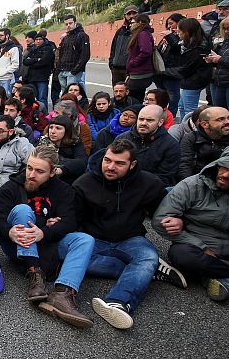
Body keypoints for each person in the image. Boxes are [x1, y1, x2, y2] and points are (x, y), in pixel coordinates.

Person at [73, 140, 183, 329]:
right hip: (94, 238)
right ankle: (149, 272)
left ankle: (118, 302)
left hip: (130, 238)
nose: (110, 166)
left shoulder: (149, 183)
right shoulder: (84, 183)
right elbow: (74, 219)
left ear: (132, 164)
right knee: (77, 261)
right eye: (107, 160)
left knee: (147, 258)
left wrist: (178, 219)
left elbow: (163, 211)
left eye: (119, 163)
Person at [153, 143, 229, 301]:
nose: (225, 174)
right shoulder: (193, 184)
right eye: (223, 167)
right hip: (199, 247)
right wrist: (201, 247)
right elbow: (159, 220)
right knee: (181, 256)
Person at [0, 146, 95, 327]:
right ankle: (34, 273)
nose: (31, 174)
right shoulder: (11, 187)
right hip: (17, 244)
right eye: (30, 168)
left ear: (53, 172)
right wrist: (9, 231)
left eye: (39, 171)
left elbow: (69, 222)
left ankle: (63, 294)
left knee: (85, 240)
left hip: (47, 242)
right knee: (22, 210)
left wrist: (43, 232)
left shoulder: (63, 190)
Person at [116, 105, 180, 186]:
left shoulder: (171, 145)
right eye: (141, 119)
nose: (143, 123)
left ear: (160, 122)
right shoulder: (123, 138)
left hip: (149, 189)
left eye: (149, 120)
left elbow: (165, 177)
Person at [166, 17, 212, 120]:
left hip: (194, 81)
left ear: (187, 32)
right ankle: (184, 128)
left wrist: (165, 71)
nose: (178, 33)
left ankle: (189, 131)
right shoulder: (187, 44)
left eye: (180, 31)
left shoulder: (198, 47)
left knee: (190, 110)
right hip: (189, 80)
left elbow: (187, 68)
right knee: (182, 107)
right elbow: (175, 49)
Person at [178, 107, 229, 180]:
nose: (228, 122)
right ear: (205, 124)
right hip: (194, 182)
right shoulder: (192, 138)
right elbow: (184, 165)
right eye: (220, 119)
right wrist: (190, 186)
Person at [0, 115, 32, 190]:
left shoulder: (21, 144)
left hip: (8, 188)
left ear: (10, 132)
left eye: (0, 131)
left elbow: (33, 164)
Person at [37, 115, 87, 185]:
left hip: (68, 180)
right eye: (51, 127)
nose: (53, 131)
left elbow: (82, 162)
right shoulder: (43, 141)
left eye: (58, 128)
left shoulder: (75, 143)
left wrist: (62, 168)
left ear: (67, 131)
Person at [155, 13, 185, 115]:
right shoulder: (166, 38)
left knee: (173, 96)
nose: (169, 26)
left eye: (171, 23)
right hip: (161, 71)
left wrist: (170, 36)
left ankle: (171, 116)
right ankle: (161, 114)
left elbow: (177, 48)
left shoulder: (182, 37)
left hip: (172, 72)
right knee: (161, 96)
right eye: (167, 24)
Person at [126, 13, 155, 101]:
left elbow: (146, 51)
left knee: (133, 97)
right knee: (136, 96)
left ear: (140, 22)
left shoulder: (143, 34)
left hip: (140, 73)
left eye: (133, 22)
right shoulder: (140, 33)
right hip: (137, 72)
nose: (131, 24)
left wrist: (133, 62)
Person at [23, 32, 55, 110]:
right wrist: (37, 59)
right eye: (36, 39)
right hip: (32, 77)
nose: (38, 41)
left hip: (42, 78)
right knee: (34, 98)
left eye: (40, 39)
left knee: (42, 98)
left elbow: (44, 62)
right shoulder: (33, 49)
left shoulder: (48, 49)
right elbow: (25, 61)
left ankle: (44, 115)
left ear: (43, 40)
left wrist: (32, 62)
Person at [57, 14, 90, 90]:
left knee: (73, 94)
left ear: (75, 23)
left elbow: (85, 55)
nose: (68, 25)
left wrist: (75, 71)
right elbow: (61, 53)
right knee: (65, 95)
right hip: (63, 70)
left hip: (73, 71)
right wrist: (59, 69)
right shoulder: (65, 37)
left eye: (70, 23)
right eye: (66, 24)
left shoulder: (82, 36)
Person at [108, 6, 138, 86]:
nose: (131, 16)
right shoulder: (120, 31)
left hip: (130, 70)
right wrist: (111, 63)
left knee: (131, 94)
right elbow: (113, 48)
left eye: (134, 13)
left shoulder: (140, 31)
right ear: (124, 15)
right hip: (116, 69)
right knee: (117, 94)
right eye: (129, 14)